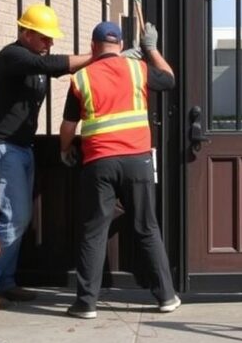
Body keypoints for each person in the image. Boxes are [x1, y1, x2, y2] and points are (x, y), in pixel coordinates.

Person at [0, 3, 93, 310]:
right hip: (2, 148)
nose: (50, 44)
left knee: (19, 218)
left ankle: (7, 282)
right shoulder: (12, 56)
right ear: (25, 33)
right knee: (16, 217)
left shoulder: (34, 60)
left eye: (51, 39)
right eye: (44, 38)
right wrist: (99, 56)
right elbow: (52, 65)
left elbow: (52, 67)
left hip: (23, 148)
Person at [59, 21, 180, 319]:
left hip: (98, 161)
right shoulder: (137, 69)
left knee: (94, 232)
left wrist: (65, 149)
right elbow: (169, 79)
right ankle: (166, 296)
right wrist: (151, 49)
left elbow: (68, 126)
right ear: (121, 43)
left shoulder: (81, 78)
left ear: (92, 46)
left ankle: (86, 303)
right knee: (146, 227)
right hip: (137, 159)